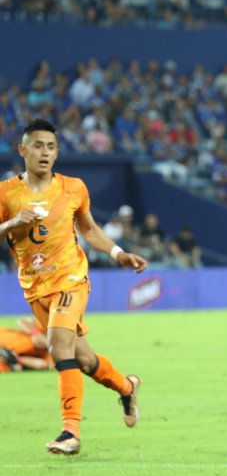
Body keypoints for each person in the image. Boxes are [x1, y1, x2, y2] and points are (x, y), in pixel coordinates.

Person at [0, 119, 149, 455]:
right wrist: (12, 222)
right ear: (23, 150)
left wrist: (118, 253)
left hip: (71, 278)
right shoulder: (6, 193)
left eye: (51, 147)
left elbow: (90, 229)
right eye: (38, 146)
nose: (45, 153)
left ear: (57, 153)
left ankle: (71, 431)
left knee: (57, 346)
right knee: (83, 359)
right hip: (35, 288)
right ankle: (127, 387)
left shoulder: (73, 188)